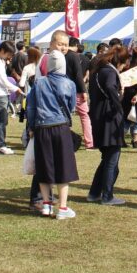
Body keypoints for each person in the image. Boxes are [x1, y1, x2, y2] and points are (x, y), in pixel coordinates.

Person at [27, 50, 79, 219]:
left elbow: (31, 107)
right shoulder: (69, 84)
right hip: (61, 127)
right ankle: (63, 208)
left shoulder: (39, 83)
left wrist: (32, 127)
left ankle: (46, 205)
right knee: (64, 166)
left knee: (44, 166)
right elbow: (71, 107)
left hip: (42, 127)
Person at [88, 44, 126, 205]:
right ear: (119, 61)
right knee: (112, 159)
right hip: (109, 120)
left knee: (106, 159)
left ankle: (94, 193)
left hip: (98, 117)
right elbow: (110, 87)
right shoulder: (110, 72)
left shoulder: (97, 71)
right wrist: (118, 104)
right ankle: (107, 196)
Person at [0, 41, 20, 155]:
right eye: (8, 54)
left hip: (1, 92)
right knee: (2, 120)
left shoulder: (0, 60)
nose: (9, 57)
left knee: (2, 120)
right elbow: (2, 80)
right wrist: (15, 88)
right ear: (2, 51)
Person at [66, 37, 94, 149]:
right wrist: (83, 90)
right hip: (77, 90)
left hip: (63, 90)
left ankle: (65, 141)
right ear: (77, 45)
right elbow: (78, 75)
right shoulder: (75, 56)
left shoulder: (61, 55)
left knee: (64, 117)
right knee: (84, 116)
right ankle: (89, 143)